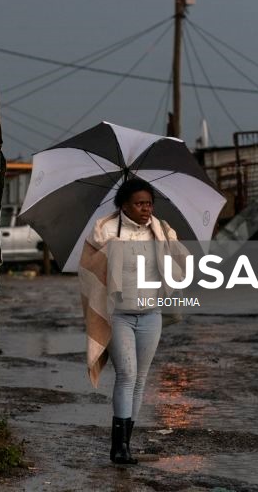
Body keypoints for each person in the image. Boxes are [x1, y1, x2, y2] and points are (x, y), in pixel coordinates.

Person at [78, 177, 182, 465]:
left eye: (149, 203)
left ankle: (126, 443)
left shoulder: (161, 231)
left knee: (140, 379)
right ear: (124, 204)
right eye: (139, 203)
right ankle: (118, 449)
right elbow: (88, 273)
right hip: (118, 316)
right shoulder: (105, 231)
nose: (145, 209)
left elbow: (177, 266)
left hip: (151, 314)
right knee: (127, 374)